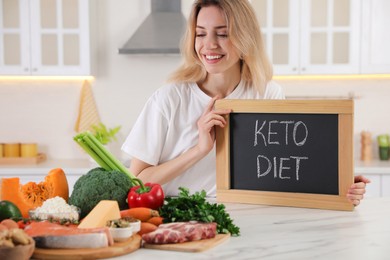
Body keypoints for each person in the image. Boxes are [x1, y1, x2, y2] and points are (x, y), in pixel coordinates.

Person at [121, 0, 370, 206]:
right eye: (200, 34)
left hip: (247, 215)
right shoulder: (168, 99)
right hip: (175, 214)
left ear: (245, 39)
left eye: (222, 33)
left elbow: (283, 171)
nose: (209, 44)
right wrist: (199, 149)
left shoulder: (267, 94)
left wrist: (338, 184)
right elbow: (136, 182)